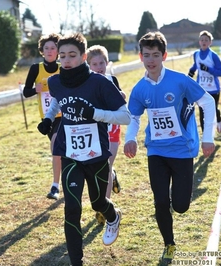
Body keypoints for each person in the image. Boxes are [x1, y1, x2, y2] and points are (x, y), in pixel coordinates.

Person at [37, 32, 131, 266]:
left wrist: (94, 114)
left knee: (98, 202)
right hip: (70, 154)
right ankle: (77, 262)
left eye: (72, 55)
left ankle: (112, 215)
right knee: (72, 209)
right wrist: (49, 118)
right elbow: (58, 99)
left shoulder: (100, 82)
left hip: (96, 154)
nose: (66, 60)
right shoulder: (56, 81)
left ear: (84, 56)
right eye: (62, 56)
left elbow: (125, 116)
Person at [123, 31, 216, 265]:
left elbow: (208, 101)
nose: (151, 60)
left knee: (181, 206)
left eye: (155, 54)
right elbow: (133, 116)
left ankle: (178, 204)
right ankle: (169, 243)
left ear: (164, 55)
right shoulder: (139, 89)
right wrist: (130, 139)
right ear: (140, 56)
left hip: (183, 150)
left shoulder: (179, 81)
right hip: (156, 151)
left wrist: (208, 137)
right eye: (146, 55)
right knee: (161, 202)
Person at [86, 44, 126, 225]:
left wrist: (122, 96)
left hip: (112, 128)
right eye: (94, 64)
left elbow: (121, 102)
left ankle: (104, 208)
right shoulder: (86, 83)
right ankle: (113, 176)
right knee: (97, 169)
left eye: (101, 62)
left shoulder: (112, 80)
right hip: (94, 131)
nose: (99, 67)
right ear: (88, 65)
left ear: (107, 62)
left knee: (107, 166)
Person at [22, 33, 62, 200]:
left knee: (56, 145)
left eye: (53, 48)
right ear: (42, 51)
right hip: (46, 118)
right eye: (47, 48)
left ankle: (55, 186)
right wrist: (35, 90)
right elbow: (26, 92)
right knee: (61, 151)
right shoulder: (35, 69)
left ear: (58, 51)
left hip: (63, 114)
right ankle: (66, 182)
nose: (50, 51)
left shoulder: (63, 67)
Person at [188, 30, 221, 133]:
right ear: (199, 41)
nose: (204, 42)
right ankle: (206, 135)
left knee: (213, 109)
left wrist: (208, 69)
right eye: (202, 40)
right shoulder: (196, 54)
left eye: (206, 40)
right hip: (201, 88)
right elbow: (196, 65)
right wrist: (192, 70)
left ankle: (218, 120)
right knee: (201, 111)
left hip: (213, 88)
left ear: (210, 42)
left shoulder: (213, 55)